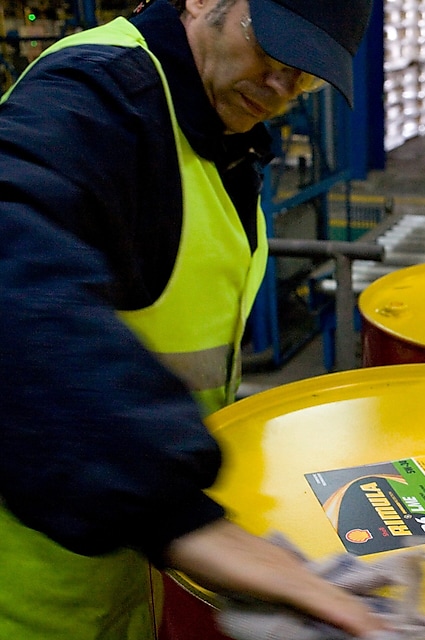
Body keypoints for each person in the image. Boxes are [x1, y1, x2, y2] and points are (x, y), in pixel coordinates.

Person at [0, 0, 387, 637]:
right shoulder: (97, 97)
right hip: (30, 598)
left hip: (130, 584)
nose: (282, 85)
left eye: (308, 73)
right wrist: (182, 517)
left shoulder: (221, 136)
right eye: (273, 48)